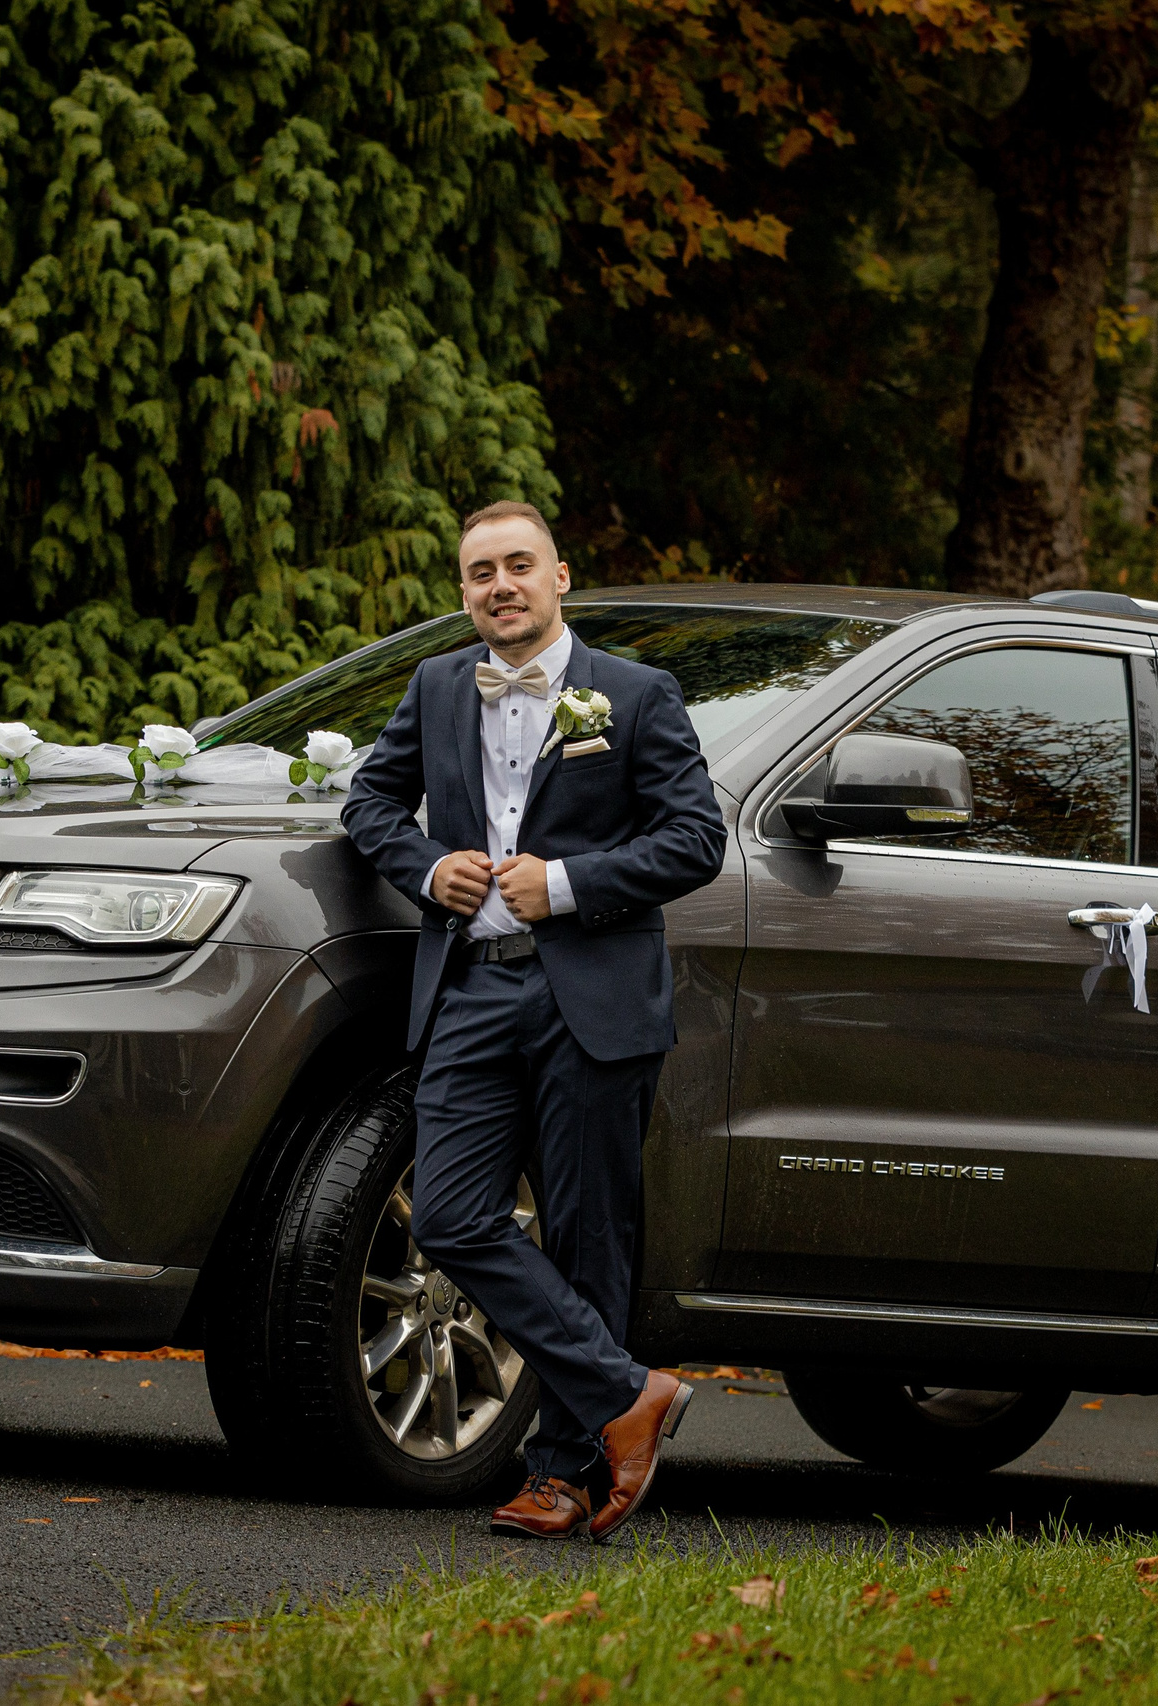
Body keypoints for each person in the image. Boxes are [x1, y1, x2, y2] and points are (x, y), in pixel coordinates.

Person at [340, 500, 727, 1541]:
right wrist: (427, 864)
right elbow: (369, 801)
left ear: (560, 578)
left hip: (589, 998)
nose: (498, 585)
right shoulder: (433, 687)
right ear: (464, 592)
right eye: (478, 573)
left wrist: (566, 880)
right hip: (468, 985)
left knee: (589, 1235)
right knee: (455, 1212)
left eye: (518, 566)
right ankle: (627, 1390)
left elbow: (696, 840)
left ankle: (561, 1474)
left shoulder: (637, 693)